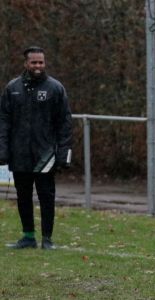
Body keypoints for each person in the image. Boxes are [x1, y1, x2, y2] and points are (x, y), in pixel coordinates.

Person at [0, 46, 72, 250]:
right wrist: (3, 150)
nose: (38, 65)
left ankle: (47, 239)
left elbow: (65, 123)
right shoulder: (12, 88)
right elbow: (4, 121)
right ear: (26, 63)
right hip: (19, 154)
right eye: (34, 62)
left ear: (44, 62)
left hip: (45, 155)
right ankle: (28, 237)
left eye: (41, 62)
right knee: (23, 197)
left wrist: (64, 154)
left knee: (46, 197)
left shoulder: (55, 88)